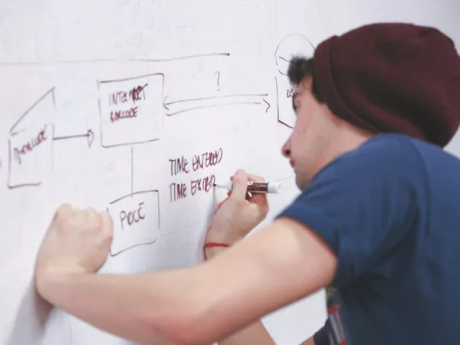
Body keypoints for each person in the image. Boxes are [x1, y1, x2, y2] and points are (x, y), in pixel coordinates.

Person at [34, 22, 460, 345]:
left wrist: (60, 277)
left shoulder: (388, 165)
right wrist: (224, 247)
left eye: (299, 107)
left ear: (347, 105)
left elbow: (189, 313)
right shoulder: (422, 205)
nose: (286, 146)